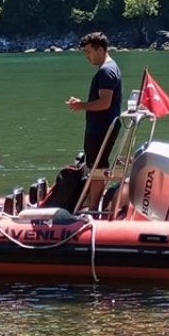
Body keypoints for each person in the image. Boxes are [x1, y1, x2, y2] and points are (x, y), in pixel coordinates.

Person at [66, 31, 122, 209]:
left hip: (101, 128)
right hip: (103, 127)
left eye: (88, 52)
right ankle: (93, 203)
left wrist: (80, 105)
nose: (87, 57)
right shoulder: (110, 68)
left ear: (100, 49)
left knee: (96, 167)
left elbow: (105, 103)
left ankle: (93, 208)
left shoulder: (106, 71)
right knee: (97, 166)